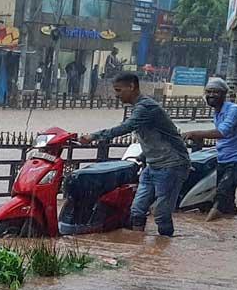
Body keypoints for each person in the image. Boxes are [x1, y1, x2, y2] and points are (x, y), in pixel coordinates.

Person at [80, 72, 190, 237]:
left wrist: (93, 136)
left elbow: (125, 127)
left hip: (171, 166)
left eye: (119, 90)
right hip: (152, 165)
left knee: (161, 214)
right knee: (137, 211)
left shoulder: (146, 108)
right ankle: (139, 247)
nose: (116, 95)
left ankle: (164, 250)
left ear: (131, 87)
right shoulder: (140, 108)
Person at [182, 77, 237, 221]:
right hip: (222, 158)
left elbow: (222, 132)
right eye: (209, 92)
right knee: (228, 199)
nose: (211, 95)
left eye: (216, 92)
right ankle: (231, 227)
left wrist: (195, 133)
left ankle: (209, 225)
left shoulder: (234, 110)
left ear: (224, 94)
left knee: (222, 193)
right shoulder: (217, 113)